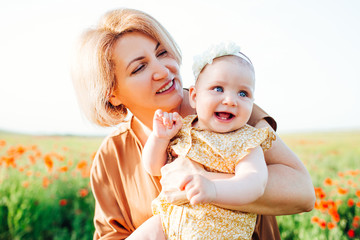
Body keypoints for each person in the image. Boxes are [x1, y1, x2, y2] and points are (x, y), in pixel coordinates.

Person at [71, 8, 315, 240]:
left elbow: (302, 193)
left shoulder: (227, 108)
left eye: (162, 52)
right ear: (112, 93)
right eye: (140, 67)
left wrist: (202, 182)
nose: (163, 71)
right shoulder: (111, 156)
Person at [142, 41, 276, 240]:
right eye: (218, 89)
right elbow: (153, 168)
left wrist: (214, 189)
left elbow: (255, 183)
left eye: (243, 93)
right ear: (194, 97)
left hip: (216, 231)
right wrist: (159, 138)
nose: (230, 100)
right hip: (167, 224)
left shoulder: (246, 141)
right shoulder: (183, 128)